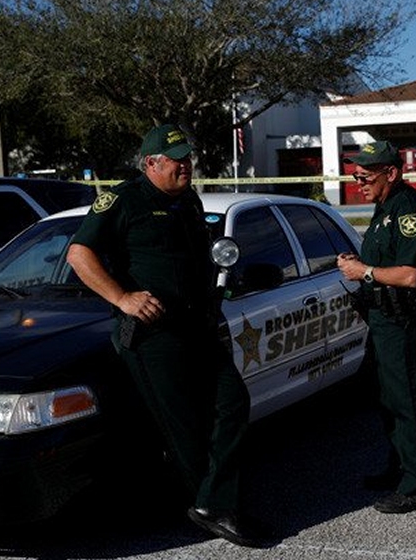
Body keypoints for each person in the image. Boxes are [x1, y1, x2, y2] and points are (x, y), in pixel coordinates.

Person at [66, 124, 268, 547]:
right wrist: (122, 297)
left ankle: (211, 502)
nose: (186, 165)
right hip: (153, 335)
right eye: (177, 158)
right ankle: (215, 507)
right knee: (183, 426)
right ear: (151, 163)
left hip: (197, 327)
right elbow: (78, 253)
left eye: (188, 157)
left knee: (232, 403)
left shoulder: (189, 200)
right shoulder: (123, 200)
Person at [337, 140, 416, 514]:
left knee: (408, 400)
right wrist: (360, 264)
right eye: (354, 175)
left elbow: (411, 275)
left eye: (365, 175)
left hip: (402, 319)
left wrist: (362, 271)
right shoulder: (385, 207)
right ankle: (400, 469)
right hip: (382, 319)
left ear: (391, 173)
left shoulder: (408, 209)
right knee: (389, 399)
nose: (358, 182)